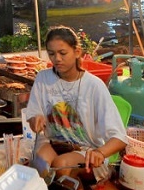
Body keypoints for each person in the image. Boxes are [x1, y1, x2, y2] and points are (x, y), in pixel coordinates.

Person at [24, 26, 127, 181]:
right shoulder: (43, 78)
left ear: (77, 52)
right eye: (52, 54)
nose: (57, 59)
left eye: (63, 53)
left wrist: (100, 153)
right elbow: (34, 117)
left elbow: (119, 137)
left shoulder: (94, 86)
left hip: (85, 150)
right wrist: (35, 119)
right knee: (40, 167)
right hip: (52, 143)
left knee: (61, 165)